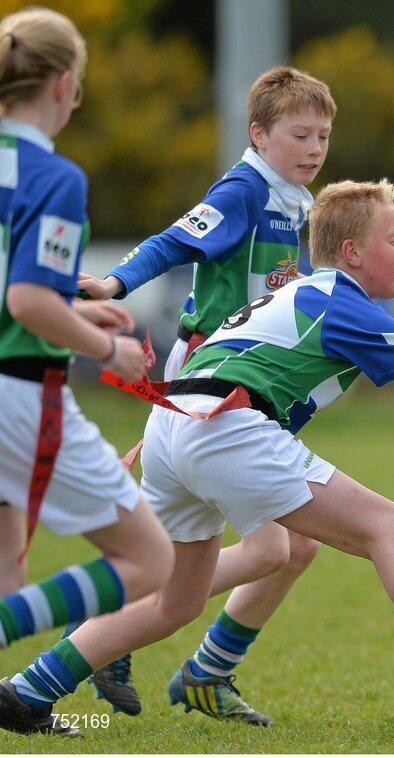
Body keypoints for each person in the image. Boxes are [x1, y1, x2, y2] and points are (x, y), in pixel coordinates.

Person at [0, 178, 394, 740]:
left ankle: (27, 692)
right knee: (388, 527)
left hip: (172, 424)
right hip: (225, 427)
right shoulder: (344, 303)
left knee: (175, 600)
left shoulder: (312, 294)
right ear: (351, 251)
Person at [75, 65, 335, 723]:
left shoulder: (294, 198)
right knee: (275, 548)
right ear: (258, 133)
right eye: (300, 134)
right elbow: (175, 240)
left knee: (281, 548)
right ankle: (137, 644)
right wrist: (113, 285)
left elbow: (273, 287)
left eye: (323, 136)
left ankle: (183, 661)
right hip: (211, 380)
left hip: (242, 380)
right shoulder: (245, 188)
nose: (313, 148)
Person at [0, 6, 174, 736]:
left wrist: (75, 303)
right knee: (148, 559)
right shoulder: (54, 175)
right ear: (66, 84)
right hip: (17, 391)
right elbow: (26, 298)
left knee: (7, 554)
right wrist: (110, 350)